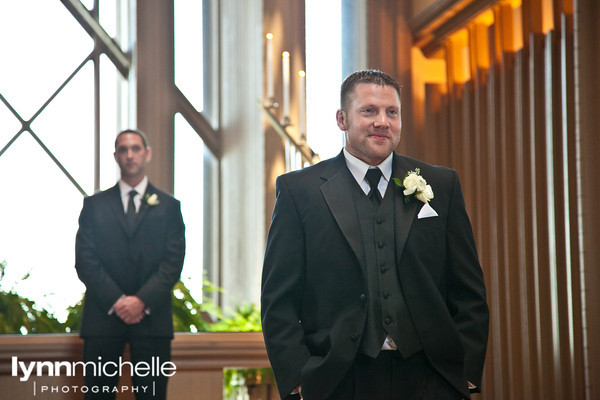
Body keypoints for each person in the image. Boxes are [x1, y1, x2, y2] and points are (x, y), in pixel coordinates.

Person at [261, 70, 489, 400]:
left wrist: (464, 373)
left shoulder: (440, 185)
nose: (382, 121)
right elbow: (278, 299)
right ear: (342, 119)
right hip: (338, 379)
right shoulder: (299, 192)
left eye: (391, 112)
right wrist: (299, 378)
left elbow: (468, 289)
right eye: (369, 111)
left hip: (430, 378)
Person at [75, 129, 185, 400]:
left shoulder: (169, 206)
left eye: (135, 148)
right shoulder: (94, 205)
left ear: (146, 154)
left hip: (152, 318)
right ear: (116, 156)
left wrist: (141, 301)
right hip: (103, 316)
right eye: (123, 149)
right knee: (98, 395)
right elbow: (85, 260)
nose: (129, 155)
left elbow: (173, 261)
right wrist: (118, 301)